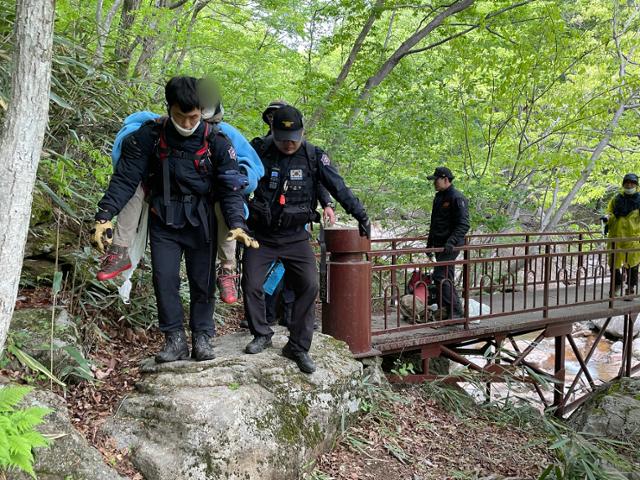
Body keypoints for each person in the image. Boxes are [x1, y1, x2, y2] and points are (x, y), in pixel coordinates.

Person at [91, 76, 258, 363]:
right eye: (181, 115)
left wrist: (236, 223)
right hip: (164, 219)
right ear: (170, 108)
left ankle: (203, 337)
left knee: (201, 281)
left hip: (201, 220)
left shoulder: (217, 141)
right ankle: (174, 339)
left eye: (194, 116)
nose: (188, 122)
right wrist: (104, 215)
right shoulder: (149, 136)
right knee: (164, 280)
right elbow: (126, 178)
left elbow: (230, 186)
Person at [242, 105, 370, 373]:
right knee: (252, 283)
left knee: (309, 286)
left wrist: (361, 215)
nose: (289, 144)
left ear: (302, 133)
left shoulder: (313, 156)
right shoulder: (259, 151)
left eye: (294, 138)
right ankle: (262, 333)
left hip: (296, 236)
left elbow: (339, 186)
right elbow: (238, 182)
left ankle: (298, 346)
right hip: (262, 235)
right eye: (283, 138)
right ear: (273, 133)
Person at [237, 101, 335, 330]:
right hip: (265, 227)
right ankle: (266, 317)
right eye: (270, 117)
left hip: (296, 227)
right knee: (261, 278)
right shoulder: (260, 149)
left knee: (293, 278)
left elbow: (317, 181)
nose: (273, 120)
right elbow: (246, 181)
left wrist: (327, 203)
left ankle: (290, 318)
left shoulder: (307, 153)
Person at [426, 166, 470, 319]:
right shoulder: (439, 198)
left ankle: (455, 311)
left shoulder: (457, 197)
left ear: (445, 179)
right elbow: (434, 223)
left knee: (441, 276)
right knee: (445, 276)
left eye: (436, 180)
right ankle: (450, 310)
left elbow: (464, 224)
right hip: (439, 244)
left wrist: (450, 242)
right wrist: (429, 244)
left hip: (451, 244)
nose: (434, 183)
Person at [601, 173, 640, 299]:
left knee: (632, 264)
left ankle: (631, 288)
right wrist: (607, 218)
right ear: (623, 184)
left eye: (632, 183)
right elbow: (610, 212)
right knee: (613, 263)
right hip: (615, 236)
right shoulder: (616, 199)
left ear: (636, 185)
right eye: (627, 182)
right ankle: (616, 285)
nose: (629, 185)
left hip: (632, 238)